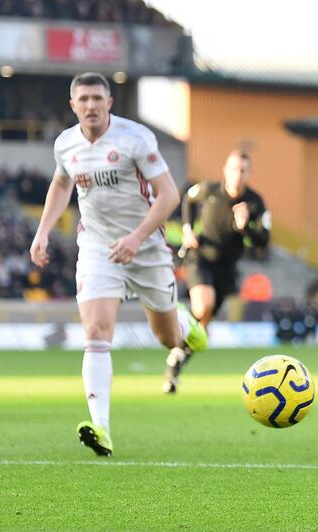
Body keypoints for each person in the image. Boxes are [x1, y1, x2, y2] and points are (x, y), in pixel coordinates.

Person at [29, 72, 207, 457]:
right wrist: (43, 230)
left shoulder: (135, 138)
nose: (91, 105)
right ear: (73, 105)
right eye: (83, 99)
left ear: (110, 103)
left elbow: (169, 195)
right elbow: (61, 184)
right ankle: (102, 427)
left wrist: (136, 238)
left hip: (146, 248)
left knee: (168, 339)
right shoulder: (66, 144)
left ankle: (184, 324)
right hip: (96, 246)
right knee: (96, 331)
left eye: (97, 98)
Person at [167, 151, 270, 392]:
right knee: (203, 306)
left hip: (227, 269)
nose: (238, 174)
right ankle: (177, 321)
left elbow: (264, 240)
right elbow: (187, 201)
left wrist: (245, 228)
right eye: (234, 168)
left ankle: (176, 361)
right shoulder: (209, 190)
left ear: (249, 173)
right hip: (200, 259)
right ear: (225, 170)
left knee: (202, 330)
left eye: (243, 170)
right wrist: (187, 229)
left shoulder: (255, 202)